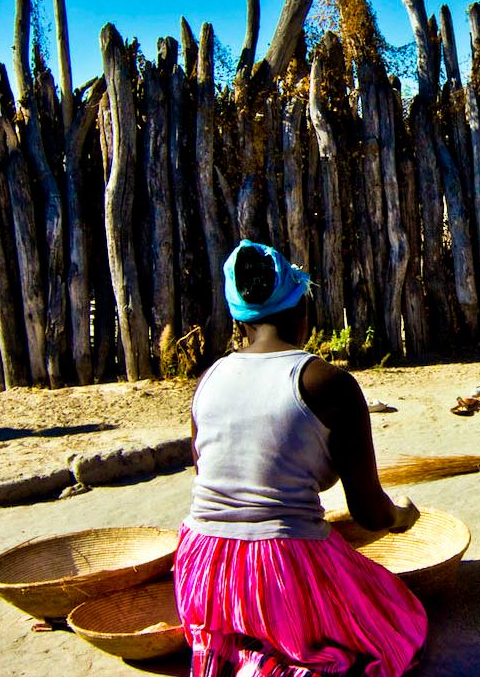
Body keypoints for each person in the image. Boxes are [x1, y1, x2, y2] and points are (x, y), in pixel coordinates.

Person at [175, 240, 426, 676]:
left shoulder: (209, 379)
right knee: (401, 622)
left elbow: (214, 478)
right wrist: (401, 517)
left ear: (239, 318)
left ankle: (237, 648)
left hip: (203, 573)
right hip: (281, 571)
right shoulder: (327, 384)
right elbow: (369, 512)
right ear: (302, 312)